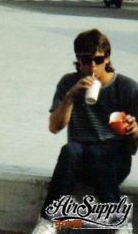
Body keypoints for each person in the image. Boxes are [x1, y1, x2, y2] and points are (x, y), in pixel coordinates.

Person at [32, 29, 138, 234]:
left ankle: (121, 223)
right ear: (77, 60)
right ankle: (48, 220)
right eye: (86, 60)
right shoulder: (68, 83)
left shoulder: (128, 88)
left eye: (98, 60)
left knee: (98, 153)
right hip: (80, 159)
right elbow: (55, 127)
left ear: (107, 58)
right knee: (70, 150)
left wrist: (134, 130)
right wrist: (71, 96)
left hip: (113, 161)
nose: (92, 67)